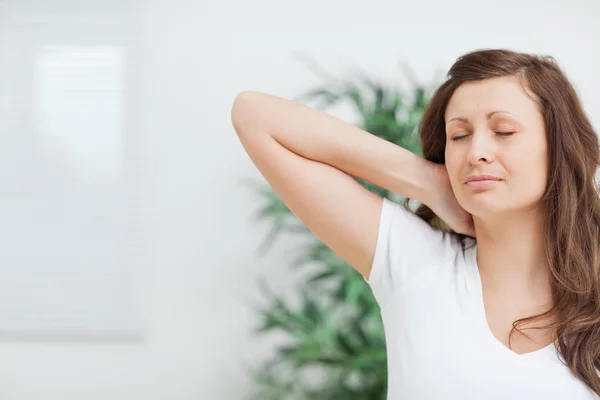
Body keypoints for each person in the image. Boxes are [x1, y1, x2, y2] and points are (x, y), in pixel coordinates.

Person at [230, 48, 600, 399]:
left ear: (560, 146)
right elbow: (253, 114)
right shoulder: (413, 262)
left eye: (503, 131)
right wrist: (429, 183)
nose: (475, 153)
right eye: (459, 135)